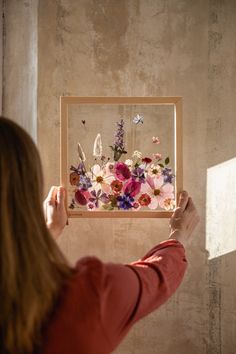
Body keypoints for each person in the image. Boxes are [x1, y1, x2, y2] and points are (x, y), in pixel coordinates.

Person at [0, 116, 200, 354]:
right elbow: (156, 278)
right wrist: (178, 236)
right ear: (27, 192)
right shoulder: (88, 298)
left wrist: (49, 232)